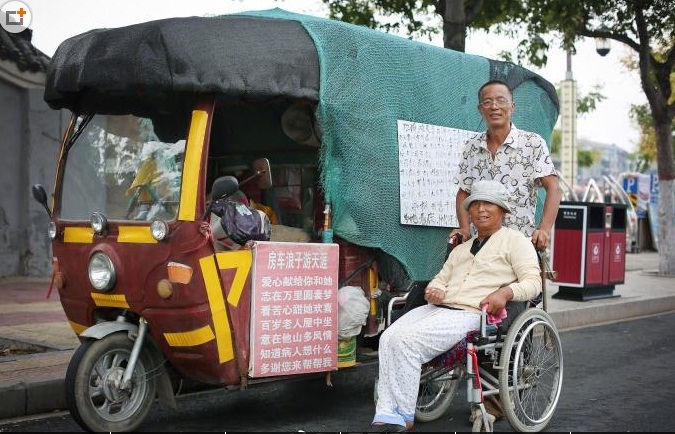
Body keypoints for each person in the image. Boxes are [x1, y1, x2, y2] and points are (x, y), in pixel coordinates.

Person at [369, 180, 541, 433]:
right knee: (389, 337)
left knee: (407, 342)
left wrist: (506, 292)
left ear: (503, 210)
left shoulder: (516, 242)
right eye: (475, 204)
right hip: (441, 308)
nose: (481, 209)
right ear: (469, 212)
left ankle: (403, 416)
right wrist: (435, 290)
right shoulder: (461, 250)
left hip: (474, 313)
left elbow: (533, 282)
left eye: (488, 204)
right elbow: (441, 278)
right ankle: (386, 411)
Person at [451, 79, 561, 251]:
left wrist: (543, 230)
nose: (494, 106)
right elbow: (463, 192)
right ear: (480, 109)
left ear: (512, 107)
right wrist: (464, 228)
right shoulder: (472, 146)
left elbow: (553, 187)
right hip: (479, 246)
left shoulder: (532, 143)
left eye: (501, 100)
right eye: (487, 102)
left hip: (519, 245)